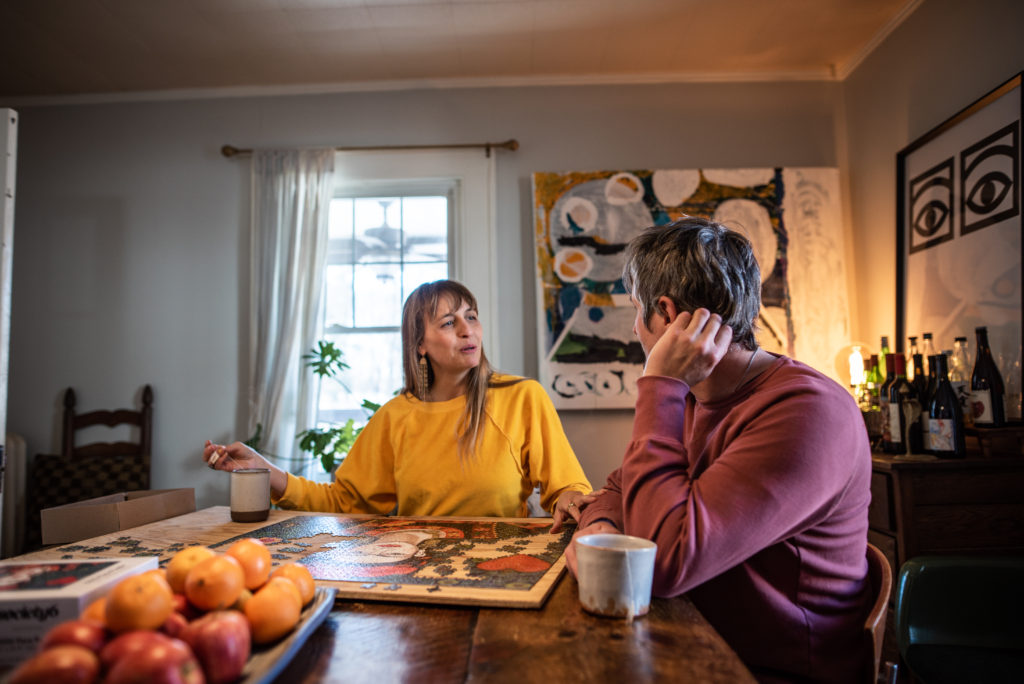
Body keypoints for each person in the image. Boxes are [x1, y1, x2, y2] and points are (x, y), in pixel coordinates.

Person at [568, 218, 872, 683]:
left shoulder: (809, 413)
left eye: (636, 310)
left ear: (666, 314)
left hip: (769, 670)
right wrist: (602, 528)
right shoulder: (696, 396)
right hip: (691, 637)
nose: (634, 328)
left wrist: (660, 385)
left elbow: (666, 562)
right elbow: (617, 487)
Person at [205, 279, 594, 529]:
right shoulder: (396, 417)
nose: (467, 329)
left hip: (508, 566)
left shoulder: (523, 397)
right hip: (419, 572)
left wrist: (572, 497)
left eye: (471, 317)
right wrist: (263, 468)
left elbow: (567, 487)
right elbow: (344, 501)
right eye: (448, 322)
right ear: (420, 345)